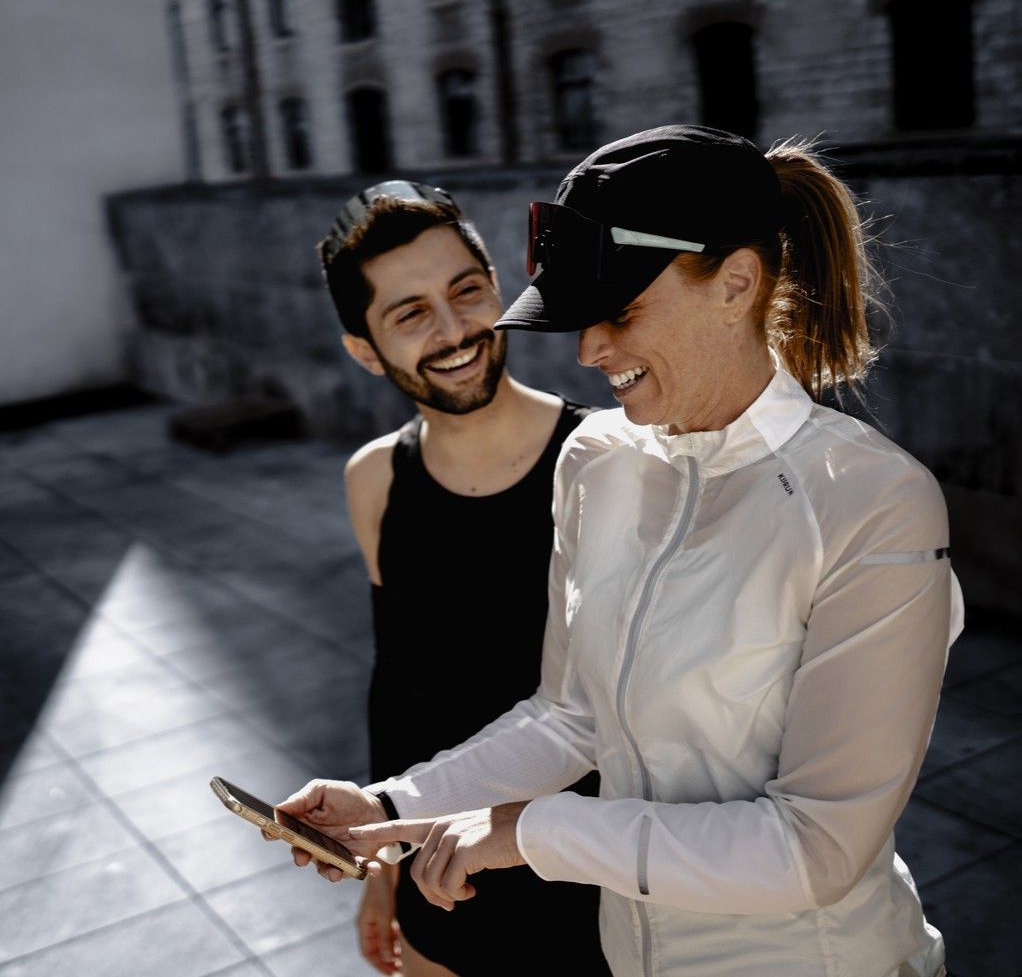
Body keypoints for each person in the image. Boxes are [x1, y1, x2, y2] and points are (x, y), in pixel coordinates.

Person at [271, 128, 965, 977]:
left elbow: (816, 849)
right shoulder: (597, 459)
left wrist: (531, 832)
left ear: (736, 283)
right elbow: (571, 716)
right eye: (577, 319)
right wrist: (391, 804)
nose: (589, 351)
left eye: (619, 311)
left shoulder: (872, 502)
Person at [313, 180, 609, 977]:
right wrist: (380, 862)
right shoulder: (374, 479)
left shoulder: (608, 460)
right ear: (366, 350)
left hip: (593, 869)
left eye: (467, 292)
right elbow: (398, 686)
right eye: (410, 314)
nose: (454, 331)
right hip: (443, 879)